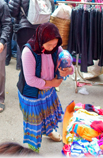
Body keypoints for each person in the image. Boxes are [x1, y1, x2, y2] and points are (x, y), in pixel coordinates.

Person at [17, 23, 73, 153]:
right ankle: (33, 149)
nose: (52, 48)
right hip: (32, 94)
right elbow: (30, 80)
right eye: (49, 45)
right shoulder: (28, 52)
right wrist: (53, 83)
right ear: (41, 40)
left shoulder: (55, 48)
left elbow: (66, 60)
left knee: (48, 115)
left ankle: (49, 132)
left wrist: (69, 69)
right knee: (34, 123)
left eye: (55, 44)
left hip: (48, 91)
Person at [9, 0, 53, 71]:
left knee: (26, 59)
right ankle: (40, 81)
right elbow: (51, 4)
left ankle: (26, 83)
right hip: (43, 28)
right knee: (41, 56)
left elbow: (12, 12)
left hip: (25, 29)